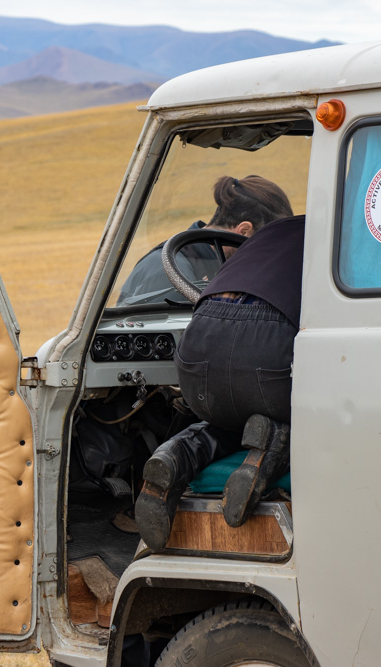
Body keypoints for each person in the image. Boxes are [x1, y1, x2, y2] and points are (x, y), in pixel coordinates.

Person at [134, 178, 304, 551]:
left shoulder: (249, 247)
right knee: (312, 413)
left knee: (230, 417)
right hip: (266, 356)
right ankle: (268, 454)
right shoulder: (328, 240)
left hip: (197, 357)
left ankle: (175, 455)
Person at [116, 175, 292, 306]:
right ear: (244, 230)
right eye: (267, 244)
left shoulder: (218, 264)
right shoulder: (170, 268)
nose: (268, 257)